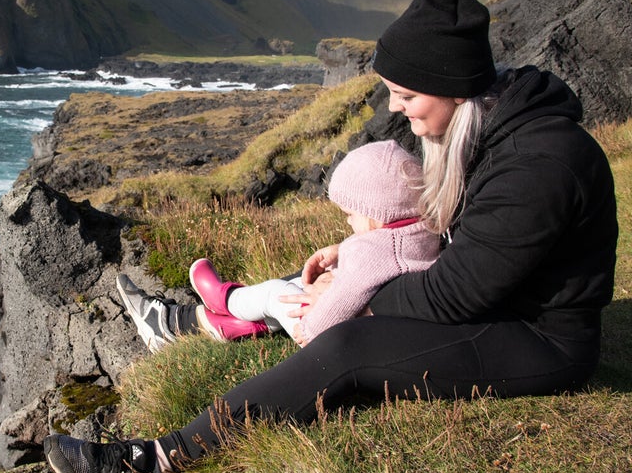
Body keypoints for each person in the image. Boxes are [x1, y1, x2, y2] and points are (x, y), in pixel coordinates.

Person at [44, 0, 618, 473]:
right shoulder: (492, 129)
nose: (394, 107)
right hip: (501, 307)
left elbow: (456, 295)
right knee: (331, 303)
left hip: (541, 341)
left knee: (350, 346)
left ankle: (156, 467)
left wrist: (356, 299)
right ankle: (196, 321)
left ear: (452, 86)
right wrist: (353, 261)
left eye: (405, 94)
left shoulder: (536, 166)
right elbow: (466, 249)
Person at [124, 139, 439, 349]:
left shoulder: (367, 253)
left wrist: (310, 329)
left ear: (377, 214)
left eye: (350, 214)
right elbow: (389, 258)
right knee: (291, 292)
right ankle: (229, 326)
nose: (347, 223)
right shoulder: (428, 231)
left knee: (278, 292)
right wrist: (342, 252)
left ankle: (226, 299)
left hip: (336, 338)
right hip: (383, 332)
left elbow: (344, 299)